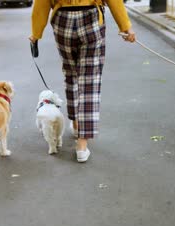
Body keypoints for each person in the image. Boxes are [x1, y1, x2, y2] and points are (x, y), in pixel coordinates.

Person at [29, 0, 136, 162]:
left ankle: (77, 123)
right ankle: (82, 145)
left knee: (71, 74)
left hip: (62, 21)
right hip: (91, 19)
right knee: (89, 82)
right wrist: (125, 25)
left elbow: (41, 3)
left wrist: (36, 33)